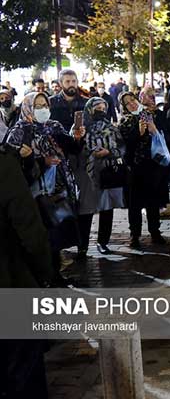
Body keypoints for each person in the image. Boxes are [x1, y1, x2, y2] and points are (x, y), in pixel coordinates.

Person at [5, 92, 85, 285]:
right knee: (42, 235)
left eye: (45, 105)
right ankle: (42, 277)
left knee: (57, 234)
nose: (43, 109)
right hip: (36, 193)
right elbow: (11, 164)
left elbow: (71, 148)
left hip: (59, 189)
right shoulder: (20, 131)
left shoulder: (54, 126)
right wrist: (41, 161)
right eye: (38, 105)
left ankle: (55, 274)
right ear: (28, 107)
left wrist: (77, 138)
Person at [0, 143, 54, 398]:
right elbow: (30, 231)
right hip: (9, 285)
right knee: (23, 377)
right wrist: (45, 274)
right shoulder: (3, 165)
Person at [73, 97, 125, 257]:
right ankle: (82, 246)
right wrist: (82, 144)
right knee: (85, 210)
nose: (101, 110)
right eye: (97, 107)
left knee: (106, 208)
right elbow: (72, 147)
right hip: (86, 173)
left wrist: (109, 152)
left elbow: (122, 148)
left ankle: (103, 242)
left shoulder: (111, 127)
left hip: (106, 171)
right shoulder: (80, 127)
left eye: (103, 107)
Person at [118, 92, 166, 248]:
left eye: (133, 100)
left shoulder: (148, 114)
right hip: (134, 167)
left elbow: (161, 134)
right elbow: (125, 145)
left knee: (153, 201)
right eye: (127, 103)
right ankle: (135, 235)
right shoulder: (125, 121)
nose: (131, 103)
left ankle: (155, 232)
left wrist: (154, 129)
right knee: (135, 204)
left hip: (152, 165)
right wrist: (137, 133)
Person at [140, 86, 170, 209]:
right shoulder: (140, 113)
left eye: (146, 95)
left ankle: (160, 204)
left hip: (158, 151)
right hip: (145, 151)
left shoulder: (159, 114)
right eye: (142, 95)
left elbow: (165, 130)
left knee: (159, 177)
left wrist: (155, 130)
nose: (142, 97)